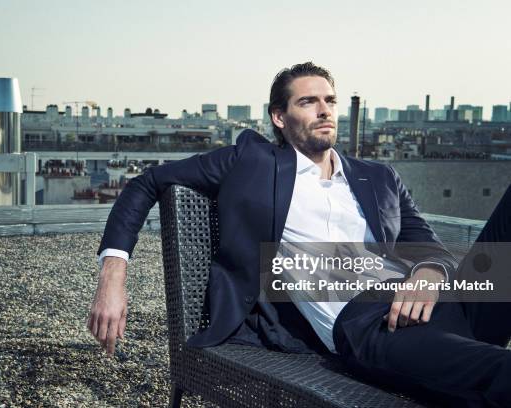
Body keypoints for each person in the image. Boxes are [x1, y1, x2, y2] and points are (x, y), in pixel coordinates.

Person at [87, 62, 511, 407]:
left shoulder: (377, 176)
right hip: (372, 321)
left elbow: (425, 241)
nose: (325, 110)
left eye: (330, 100)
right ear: (279, 117)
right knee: (495, 369)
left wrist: (430, 272)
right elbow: (146, 184)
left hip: (442, 298)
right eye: (308, 102)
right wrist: (112, 276)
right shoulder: (251, 160)